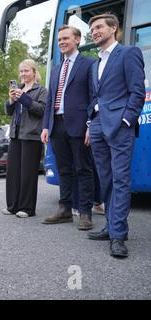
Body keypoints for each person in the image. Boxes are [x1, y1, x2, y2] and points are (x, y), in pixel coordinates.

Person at [86, 13, 145, 258]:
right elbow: (95, 97)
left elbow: (138, 91)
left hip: (119, 126)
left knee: (120, 180)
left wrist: (126, 120)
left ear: (113, 28)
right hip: (98, 125)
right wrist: (91, 123)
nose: (94, 32)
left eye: (99, 27)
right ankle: (111, 226)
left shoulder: (128, 53)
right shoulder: (95, 63)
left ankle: (118, 235)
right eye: (92, 29)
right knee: (106, 180)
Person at [41, 25, 95, 230]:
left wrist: (91, 124)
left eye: (66, 38)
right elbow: (50, 101)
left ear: (78, 40)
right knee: (63, 169)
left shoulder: (89, 64)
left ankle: (85, 212)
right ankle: (64, 209)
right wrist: (46, 126)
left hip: (80, 125)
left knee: (83, 169)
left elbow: (94, 96)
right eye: (59, 40)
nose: (62, 42)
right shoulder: (56, 69)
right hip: (57, 126)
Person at [2, 59, 47, 218]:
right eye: (21, 71)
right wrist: (11, 100)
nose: (23, 74)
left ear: (34, 72)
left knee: (27, 173)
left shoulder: (41, 90)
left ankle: (27, 208)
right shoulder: (18, 89)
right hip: (15, 134)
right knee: (13, 172)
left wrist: (24, 99)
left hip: (31, 136)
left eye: (26, 70)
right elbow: (8, 112)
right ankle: (12, 206)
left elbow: (42, 110)